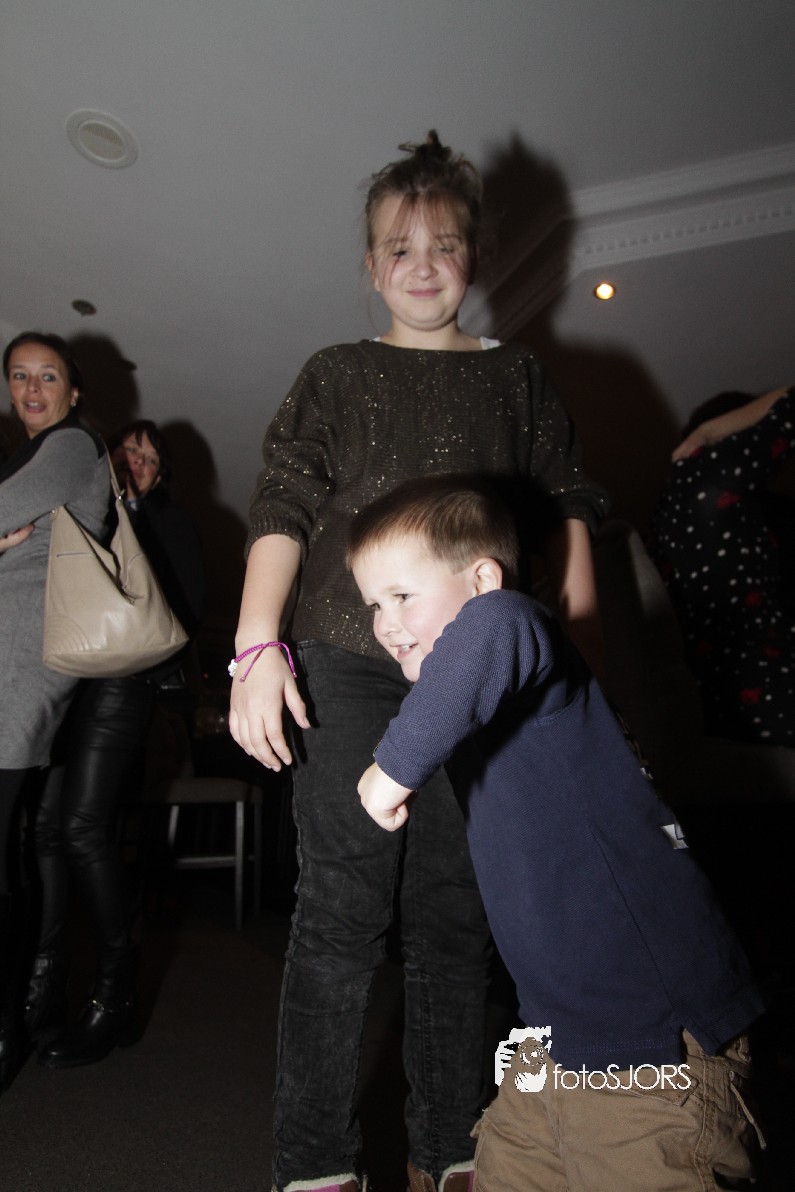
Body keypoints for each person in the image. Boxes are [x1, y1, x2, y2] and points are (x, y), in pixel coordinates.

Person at [230, 131, 608, 1192]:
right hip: (347, 655)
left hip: (482, 671)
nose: (424, 264)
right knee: (341, 905)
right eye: (400, 247)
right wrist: (256, 648)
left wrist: (578, 670)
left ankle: (449, 1147)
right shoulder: (336, 373)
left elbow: (570, 509)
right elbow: (283, 506)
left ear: (473, 257)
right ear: (371, 265)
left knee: (458, 909)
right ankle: (314, 1165)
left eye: (444, 244)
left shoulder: (518, 377)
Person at [350, 475, 766, 1192]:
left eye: (402, 595)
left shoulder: (514, 623)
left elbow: (494, 627)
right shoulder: (481, 711)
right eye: (372, 606)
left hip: (654, 1046)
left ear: (483, 579)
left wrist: (388, 769)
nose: (386, 624)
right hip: (551, 1044)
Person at [27, 419, 205, 1069]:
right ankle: (43, 979)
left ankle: (114, 994)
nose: (137, 461)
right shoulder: (83, 509)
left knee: (81, 827)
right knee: (47, 828)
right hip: (68, 683)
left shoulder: (171, 523)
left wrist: (135, 521)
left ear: (160, 476)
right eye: (129, 449)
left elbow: (185, 614)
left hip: (126, 685)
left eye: (150, 458)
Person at [0, 331, 110, 1096]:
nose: (32, 389)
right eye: (19, 376)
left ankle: (7, 1023)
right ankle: (16, 1016)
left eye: (48, 376)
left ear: (73, 392)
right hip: (10, 667)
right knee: (10, 848)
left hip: (16, 673)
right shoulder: (35, 456)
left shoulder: (70, 446)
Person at [647, 385, 795, 747]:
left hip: (716, 708)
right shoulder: (711, 478)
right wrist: (709, 432)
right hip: (767, 690)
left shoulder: (668, 515)